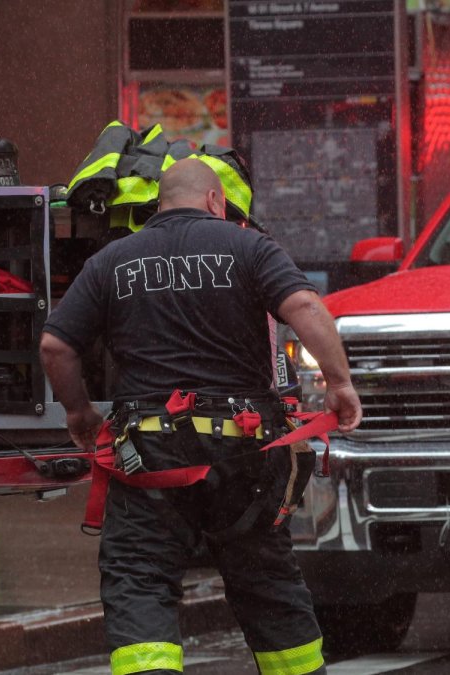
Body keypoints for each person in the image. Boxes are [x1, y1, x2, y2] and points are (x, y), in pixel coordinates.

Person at [40, 158, 360, 675]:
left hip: (147, 453)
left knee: (140, 578)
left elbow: (56, 346)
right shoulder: (250, 247)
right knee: (266, 581)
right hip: (244, 448)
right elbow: (303, 305)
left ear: (157, 206)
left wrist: (79, 413)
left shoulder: (112, 259)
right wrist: (340, 384)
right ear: (215, 200)